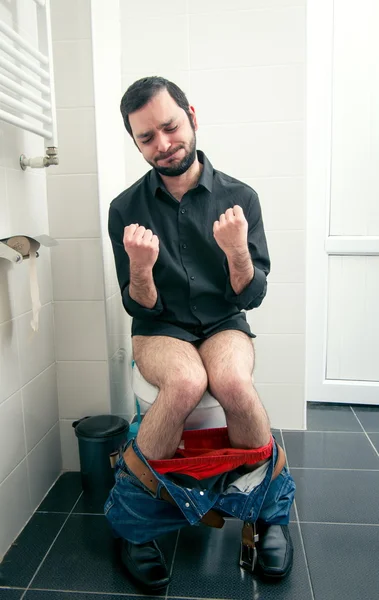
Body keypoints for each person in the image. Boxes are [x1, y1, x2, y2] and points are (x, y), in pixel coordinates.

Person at [106, 76, 296, 590]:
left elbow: (250, 296)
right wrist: (141, 266)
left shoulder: (240, 197)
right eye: (147, 138)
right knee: (186, 384)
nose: (163, 144)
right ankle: (136, 528)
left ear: (191, 114)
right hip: (160, 327)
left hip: (222, 322)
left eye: (169, 127)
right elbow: (136, 302)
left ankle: (268, 516)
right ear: (135, 142)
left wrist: (237, 250)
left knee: (233, 383)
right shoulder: (125, 209)